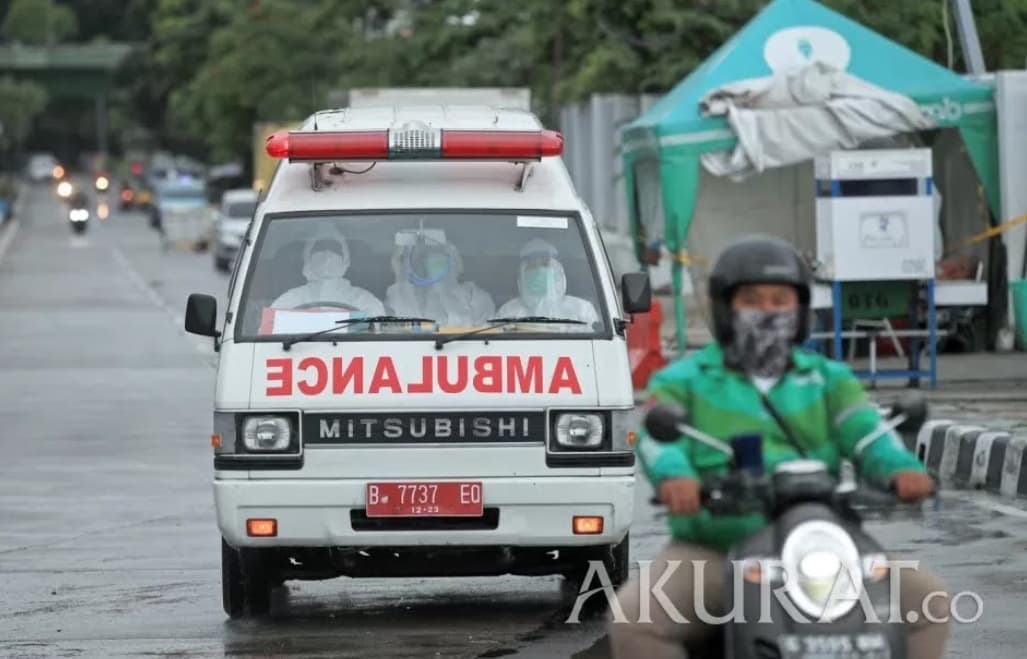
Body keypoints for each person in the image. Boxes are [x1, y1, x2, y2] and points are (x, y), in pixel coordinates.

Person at [608, 235, 948, 659]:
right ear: (725, 309)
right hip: (715, 547)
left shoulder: (829, 378)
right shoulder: (683, 379)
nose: (767, 311)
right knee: (635, 618)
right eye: (752, 299)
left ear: (800, 310)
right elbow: (658, 439)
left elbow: (868, 432)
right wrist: (678, 478)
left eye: (779, 300)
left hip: (818, 542)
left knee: (929, 603)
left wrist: (900, 468)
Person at [271, 225, 385, 314]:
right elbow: (270, 332)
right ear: (307, 258)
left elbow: (378, 335)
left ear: (345, 260)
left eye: (335, 249)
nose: (327, 255)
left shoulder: (364, 300)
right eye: (320, 248)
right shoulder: (291, 298)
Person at [384, 234, 495, 325]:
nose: (428, 264)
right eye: (422, 258)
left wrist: (444, 291)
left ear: (456, 263)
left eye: (438, 258)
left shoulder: (475, 298)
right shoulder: (399, 296)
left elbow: (482, 341)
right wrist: (400, 275)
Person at [495, 238, 599, 325]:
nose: (539, 271)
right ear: (521, 275)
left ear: (558, 272)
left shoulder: (582, 311)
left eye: (545, 264)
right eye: (532, 266)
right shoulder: (508, 313)